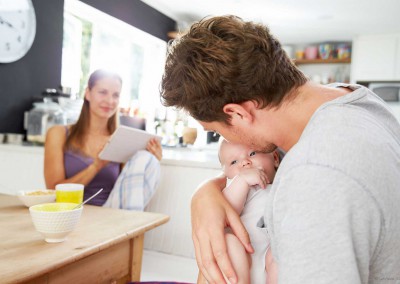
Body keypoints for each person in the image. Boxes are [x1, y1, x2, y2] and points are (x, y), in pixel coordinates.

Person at [161, 15, 400, 284]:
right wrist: (205, 193)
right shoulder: (351, 98)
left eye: (217, 131)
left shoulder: (316, 176)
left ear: (238, 113)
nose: (224, 138)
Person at [44, 69, 162, 210]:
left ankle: (132, 229)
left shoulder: (120, 140)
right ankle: (130, 228)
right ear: (88, 93)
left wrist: (152, 158)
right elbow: (53, 190)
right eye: (103, 92)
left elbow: (130, 192)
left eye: (115, 95)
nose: (109, 101)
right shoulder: (58, 133)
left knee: (146, 159)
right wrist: (96, 166)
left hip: (110, 214)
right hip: (70, 213)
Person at [199, 138, 279, 284]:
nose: (245, 162)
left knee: (279, 254)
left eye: (253, 153)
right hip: (242, 258)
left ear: (275, 158)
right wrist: (242, 181)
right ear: (225, 173)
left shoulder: (282, 186)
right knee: (229, 244)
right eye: (234, 162)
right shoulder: (237, 186)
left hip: (268, 259)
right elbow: (226, 211)